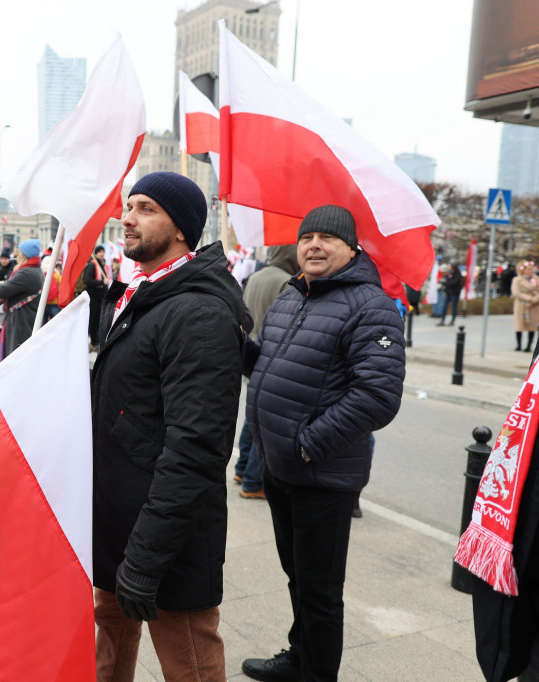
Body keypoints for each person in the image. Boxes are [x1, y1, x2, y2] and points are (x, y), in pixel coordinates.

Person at [91, 172, 247, 681]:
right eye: (128, 206)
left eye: (145, 209)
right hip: (120, 521)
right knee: (108, 648)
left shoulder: (197, 312)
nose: (128, 219)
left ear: (180, 228)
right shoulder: (143, 295)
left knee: (189, 663)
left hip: (167, 537)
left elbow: (196, 449)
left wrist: (147, 557)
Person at [242, 205, 405, 682]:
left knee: (319, 589)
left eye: (326, 238)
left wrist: (308, 445)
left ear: (351, 248)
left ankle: (316, 672)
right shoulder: (292, 296)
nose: (313, 245)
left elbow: (378, 396)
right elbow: (270, 367)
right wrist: (235, 341)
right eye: (306, 236)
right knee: (299, 576)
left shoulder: (369, 305)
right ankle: (300, 657)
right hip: (281, 469)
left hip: (321, 474)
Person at [233, 244, 300, 500]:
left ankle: (240, 470)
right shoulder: (286, 282)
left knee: (252, 418)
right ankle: (251, 481)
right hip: (268, 353)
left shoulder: (257, 276)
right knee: (263, 423)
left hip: (249, 350)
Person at [0, 239, 44, 359]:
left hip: (21, 320)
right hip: (26, 318)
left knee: (16, 357)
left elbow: (1, 291)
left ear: (24, 255)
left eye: (19, 253)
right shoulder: (35, 270)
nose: (17, 256)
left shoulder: (26, 273)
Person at [84, 245, 110, 351]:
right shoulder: (92, 265)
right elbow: (88, 281)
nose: (102, 253)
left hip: (100, 297)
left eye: (103, 251)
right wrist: (102, 282)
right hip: (93, 297)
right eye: (100, 252)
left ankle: (95, 342)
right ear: (96, 253)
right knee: (91, 320)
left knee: (97, 321)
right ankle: (87, 342)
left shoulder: (101, 265)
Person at [513, 261, 539, 352]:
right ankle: (519, 345)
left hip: (534, 306)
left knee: (532, 326)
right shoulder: (517, 280)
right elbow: (516, 293)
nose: (530, 271)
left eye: (531, 269)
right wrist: (530, 299)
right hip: (522, 305)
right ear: (523, 270)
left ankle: (528, 346)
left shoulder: (536, 279)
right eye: (528, 269)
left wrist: (535, 299)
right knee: (519, 325)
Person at [40, 254, 61, 324]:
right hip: (55, 303)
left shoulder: (41, 274)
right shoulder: (56, 275)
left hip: (43, 303)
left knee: (43, 324)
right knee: (55, 324)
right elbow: (60, 287)